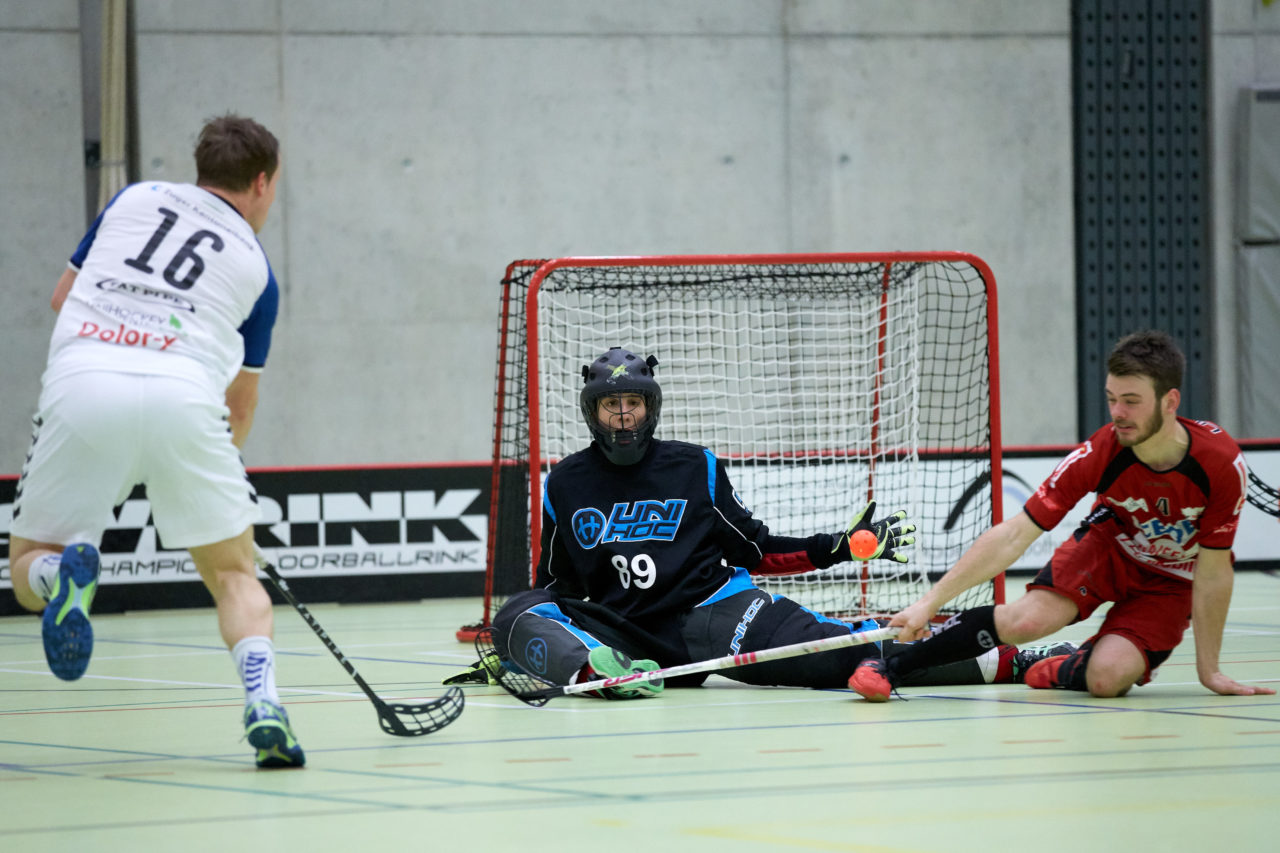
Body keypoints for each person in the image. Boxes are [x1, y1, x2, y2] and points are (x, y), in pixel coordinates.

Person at [481, 346, 1071, 698]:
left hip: (710, 614)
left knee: (840, 657)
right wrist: (532, 641)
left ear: (651, 407)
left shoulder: (695, 467)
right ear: (594, 413)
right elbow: (558, 587)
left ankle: (1007, 659)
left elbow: (754, 550)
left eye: (635, 402)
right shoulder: (565, 483)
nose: (625, 414)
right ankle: (601, 673)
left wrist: (839, 547)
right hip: (628, 634)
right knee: (513, 613)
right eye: (613, 405)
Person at [7, 115, 306, 767]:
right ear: (260, 182)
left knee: (26, 561)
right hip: (185, 399)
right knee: (233, 572)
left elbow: (65, 295)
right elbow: (240, 405)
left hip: (86, 382)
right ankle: (265, 701)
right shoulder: (258, 271)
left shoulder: (132, 200)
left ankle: (61, 576)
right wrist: (223, 468)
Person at [849, 330, 1275, 702]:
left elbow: (1215, 570)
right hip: (1109, 547)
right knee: (1027, 620)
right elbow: (1016, 533)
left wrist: (1210, 670)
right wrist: (929, 604)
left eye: (1131, 401)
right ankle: (893, 668)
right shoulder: (1102, 451)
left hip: (1172, 581)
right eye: (1112, 399)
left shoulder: (1220, 464)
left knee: (1107, 680)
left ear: (1170, 401)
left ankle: (1063, 667)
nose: (1118, 413)